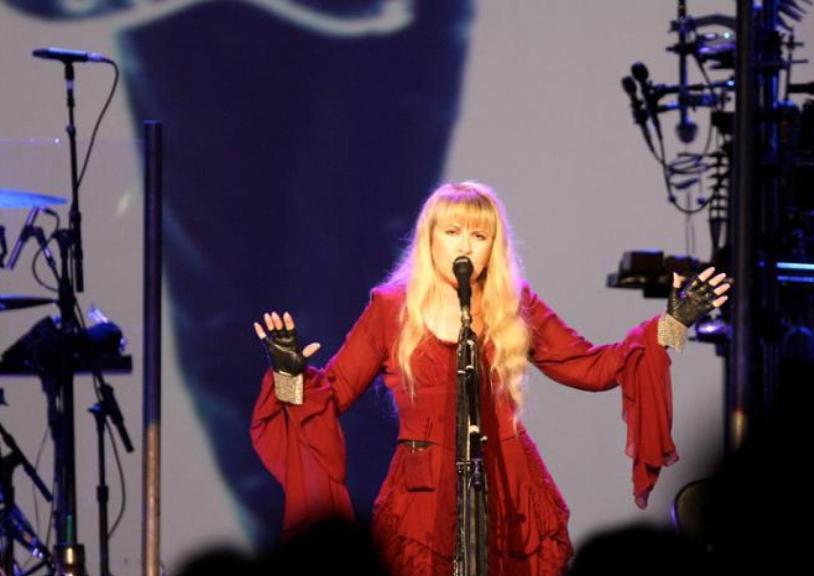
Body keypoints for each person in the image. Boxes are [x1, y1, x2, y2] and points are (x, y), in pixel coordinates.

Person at [250, 181, 730, 575]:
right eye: (453, 231)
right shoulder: (389, 310)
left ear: (493, 246)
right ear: (430, 239)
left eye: (479, 236)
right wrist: (290, 372)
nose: (465, 245)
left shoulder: (514, 304)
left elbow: (594, 366)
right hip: (421, 498)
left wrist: (673, 324)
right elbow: (329, 397)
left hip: (508, 485)